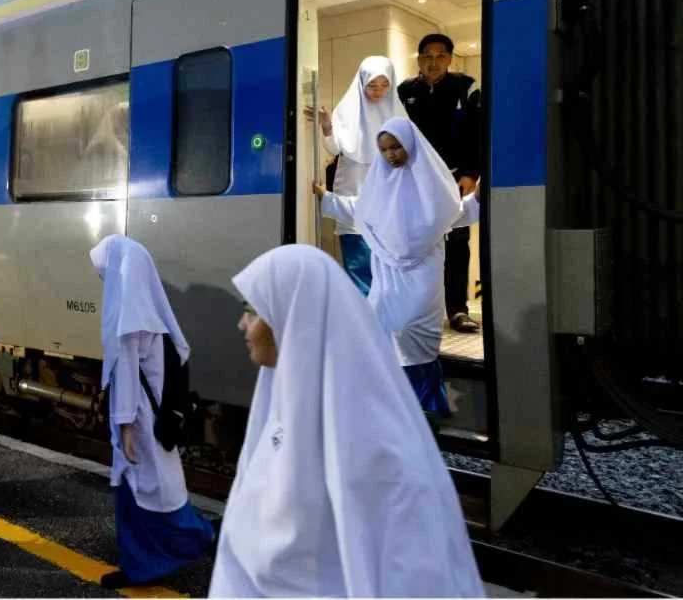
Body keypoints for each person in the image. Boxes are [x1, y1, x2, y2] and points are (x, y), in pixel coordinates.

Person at [208, 244, 484, 597]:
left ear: (293, 317)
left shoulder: (377, 442)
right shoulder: (282, 403)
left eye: (254, 311)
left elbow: (412, 571)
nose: (242, 324)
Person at [313, 117, 480, 417]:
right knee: (382, 334)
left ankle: (427, 412)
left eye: (396, 147)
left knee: (413, 335)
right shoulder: (379, 184)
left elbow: (457, 211)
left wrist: (478, 196)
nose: (391, 154)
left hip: (422, 280)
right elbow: (359, 209)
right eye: (385, 149)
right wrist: (327, 198)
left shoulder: (434, 184)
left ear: (411, 145)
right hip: (387, 282)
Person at [88, 234, 215, 589]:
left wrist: (125, 427)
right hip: (156, 419)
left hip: (141, 423)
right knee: (158, 491)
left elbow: (127, 377)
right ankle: (149, 560)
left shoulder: (129, 320)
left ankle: (197, 539)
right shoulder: (152, 313)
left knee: (142, 497)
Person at [398, 33, 482, 333]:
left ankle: (458, 310)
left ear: (450, 58)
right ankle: (419, 308)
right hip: (416, 182)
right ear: (419, 60)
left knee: (457, 244)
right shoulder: (404, 91)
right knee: (417, 245)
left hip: (455, 179)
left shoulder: (466, 87)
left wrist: (471, 173)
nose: (433, 62)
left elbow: (478, 134)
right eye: (427, 57)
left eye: (440, 56)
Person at [306, 56, 406, 295]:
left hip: (387, 193)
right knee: (358, 258)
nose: (378, 91)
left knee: (387, 263)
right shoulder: (348, 110)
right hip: (353, 185)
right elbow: (334, 148)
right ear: (361, 83)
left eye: (384, 85)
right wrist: (328, 125)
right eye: (372, 85)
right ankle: (363, 317)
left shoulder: (399, 116)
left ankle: (385, 318)